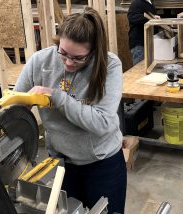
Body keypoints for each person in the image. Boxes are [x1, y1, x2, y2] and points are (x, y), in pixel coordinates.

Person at [14, 6, 126, 214]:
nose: (67, 62)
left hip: (102, 163)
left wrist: (57, 97)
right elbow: (15, 105)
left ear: (93, 52)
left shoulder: (109, 65)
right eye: (63, 53)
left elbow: (103, 123)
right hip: (63, 163)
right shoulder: (40, 61)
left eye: (77, 58)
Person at [128, 0, 160, 65]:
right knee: (139, 69)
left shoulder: (150, 4)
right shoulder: (137, 3)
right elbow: (132, 17)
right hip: (139, 44)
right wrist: (150, 18)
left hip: (149, 43)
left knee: (148, 68)